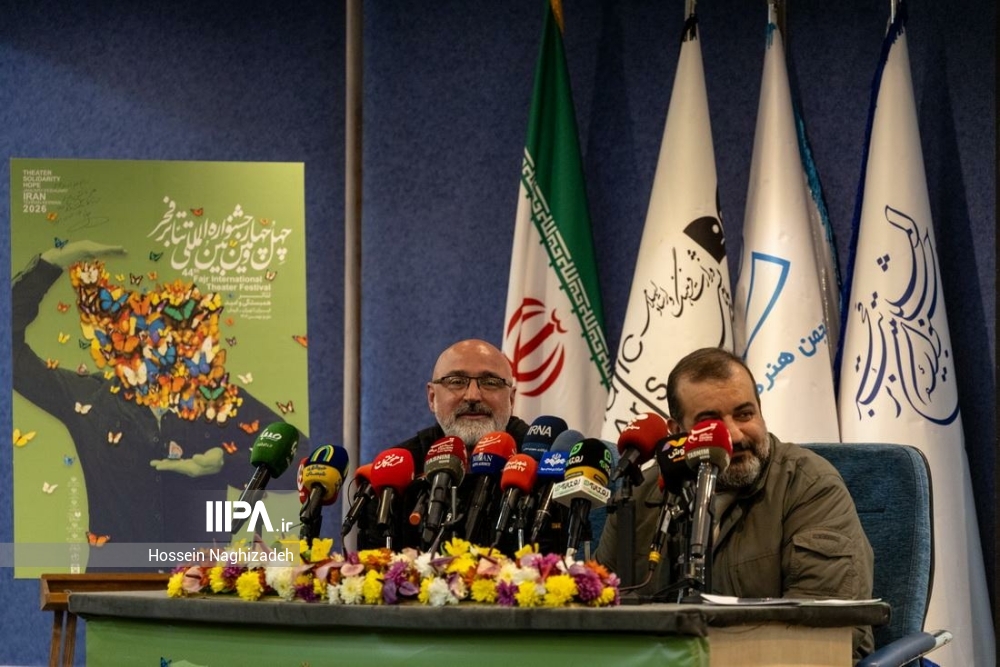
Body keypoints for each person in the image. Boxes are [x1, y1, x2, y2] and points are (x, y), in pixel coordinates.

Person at [12, 241, 307, 566]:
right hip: (116, 587)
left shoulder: (219, 401)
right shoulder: (89, 396)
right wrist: (51, 263)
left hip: (200, 584)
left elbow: (302, 460)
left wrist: (227, 462)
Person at [594, 347, 874, 661]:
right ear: (676, 432)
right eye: (710, 421)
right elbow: (597, 611)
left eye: (744, 414)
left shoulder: (810, 485)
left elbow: (826, 632)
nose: (734, 435)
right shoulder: (640, 494)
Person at [357, 339, 534, 551]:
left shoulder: (542, 461)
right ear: (432, 397)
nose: (473, 396)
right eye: (456, 381)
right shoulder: (397, 471)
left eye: (490, 382)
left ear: (511, 399)